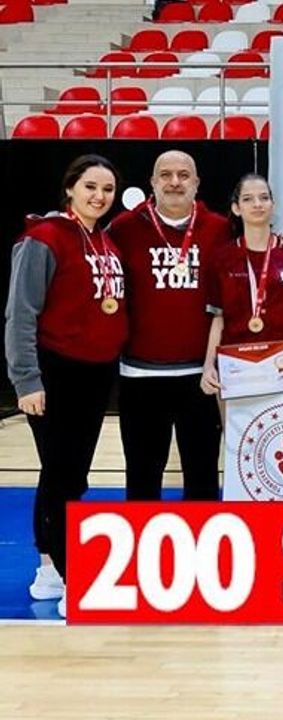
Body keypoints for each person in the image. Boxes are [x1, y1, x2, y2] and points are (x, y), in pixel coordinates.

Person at [5, 155, 127, 617]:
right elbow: (20, 314)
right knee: (62, 473)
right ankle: (70, 572)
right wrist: (27, 380)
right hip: (55, 372)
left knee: (71, 474)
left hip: (95, 374)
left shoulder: (105, 240)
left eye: (108, 189)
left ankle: (47, 569)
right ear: (70, 188)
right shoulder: (43, 238)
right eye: (90, 186)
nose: (99, 196)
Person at [107, 150, 231, 503]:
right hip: (140, 375)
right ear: (152, 182)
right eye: (165, 175)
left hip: (202, 377)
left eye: (183, 175)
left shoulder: (221, 229)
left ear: (197, 183)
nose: (174, 182)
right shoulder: (124, 228)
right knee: (142, 475)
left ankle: (199, 540)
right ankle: (144, 540)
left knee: (203, 475)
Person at [200, 175, 283, 396]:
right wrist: (209, 365)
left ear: (273, 204)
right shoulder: (222, 258)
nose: (258, 204)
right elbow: (218, 318)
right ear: (236, 208)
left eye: (264, 198)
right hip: (234, 365)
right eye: (248, 199)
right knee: (236, 421)